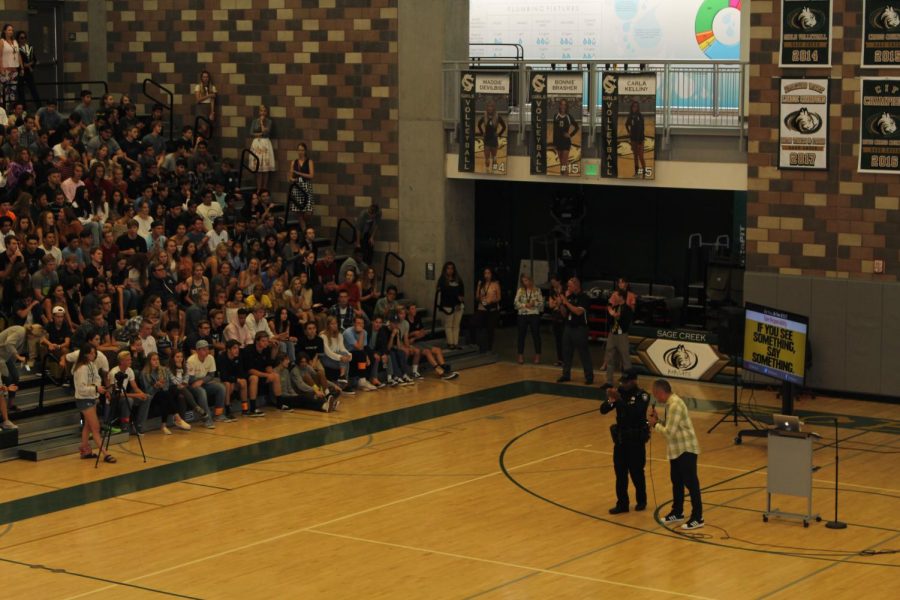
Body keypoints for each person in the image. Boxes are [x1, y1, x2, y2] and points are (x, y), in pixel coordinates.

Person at [649, 379, 704, 530]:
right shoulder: (670, 404)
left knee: (691, 484)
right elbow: (671, 426)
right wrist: (659, 420)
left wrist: (654, 424)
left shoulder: (675, 405)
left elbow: (669, 433)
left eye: (655, 394)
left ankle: (698, 517)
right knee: (677, 482)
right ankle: (677, 512)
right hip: (676, 450)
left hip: (686, 449)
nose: (656, 398)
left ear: (661, 392)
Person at [600, 369, 650, 515]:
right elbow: (603, 410)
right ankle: (622, 503)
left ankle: (641, 500)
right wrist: (611, 399)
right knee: (620, 473)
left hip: (635, 441)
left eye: (626, 382)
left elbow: (635, 413)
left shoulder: (643, 396)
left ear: (634, 381)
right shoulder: (619, 392)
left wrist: (619, 400)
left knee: (637, 473)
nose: (623, 384)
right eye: (622, 381)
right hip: (621, 441)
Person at [72, 344, 116, 462]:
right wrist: (96, 389)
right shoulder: (81, 369)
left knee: (88, 425)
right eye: (92, 353)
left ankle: (84, 449)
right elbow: (81, 388)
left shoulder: (91, 365)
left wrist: (99, 388)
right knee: (95, 427)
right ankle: (105, 453)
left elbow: (96, 378)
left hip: (91, 397)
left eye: (95, 353)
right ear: (86, 354)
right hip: (84, 399)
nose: (94, 355)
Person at [138, 352, 191, 435]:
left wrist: (162, 385)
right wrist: (156, 386)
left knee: (168, 394)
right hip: (153, 395)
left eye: (157, 359)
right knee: (165, 395)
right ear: (149, 361)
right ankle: (177, 419)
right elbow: (147, 391)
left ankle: (165, 425)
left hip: (163, 393)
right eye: (154, 360)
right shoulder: (144, 373)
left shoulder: (163, 370)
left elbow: (167, 385)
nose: (156, 361)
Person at [555, 276, 593, 384]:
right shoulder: (570, 297)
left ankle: (589, 377)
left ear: (576, 286)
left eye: (570, 285)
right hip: (568, 327)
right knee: (566, 352)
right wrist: (561, 303)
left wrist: (566, 302)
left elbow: (578, 312)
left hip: (580, 328)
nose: (568, 287)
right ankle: (565, 374)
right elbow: (564, 314)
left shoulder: (584, 298)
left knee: (583, 353)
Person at [604, 277, 635, 387]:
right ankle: (608, 381)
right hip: (613, 334)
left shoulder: (627, 308)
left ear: (622, 297)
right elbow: (609, 313)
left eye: (617, 297)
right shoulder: (615, 307)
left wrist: (616, 315)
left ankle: (629, 382)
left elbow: (626, 319)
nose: (615, 298)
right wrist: (611, 313)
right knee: (610, 358)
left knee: (625, 359)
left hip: (622, 335)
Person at [514, 273, 544, 364]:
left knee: (536, 335)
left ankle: (537, 356)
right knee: (521, 335)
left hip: (534, 314)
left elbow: (541, 302)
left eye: (527, 280)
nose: (525, 282)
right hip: (522, 314)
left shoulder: (537, 290)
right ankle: (520, 355)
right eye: (523, 281)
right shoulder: (520, 290)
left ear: (530, 280)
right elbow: (515, 303)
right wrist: (524, 305)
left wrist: (534, 304)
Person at [436, 261, 464, 349]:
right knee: (449, 325)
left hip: (458, 305)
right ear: (445, 269)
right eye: (448, 268)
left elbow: (461, 292)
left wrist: (460, 301)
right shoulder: (442, 280)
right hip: (447, 306)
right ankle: (450, 343)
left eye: (452, 268)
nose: (450, 270)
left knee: (456, 325)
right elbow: (446, 292)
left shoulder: (458, 279)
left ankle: (456, 343)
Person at [472, 266, 500, 353]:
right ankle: (479, 345)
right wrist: (479, 291)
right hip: (482, 307)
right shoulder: (481, 284)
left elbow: (499, 297)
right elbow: (477, 297)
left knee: (490, 329)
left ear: (491, 274)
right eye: (485, 273)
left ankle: (489, 348)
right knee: (477, 325)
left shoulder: (495, 284)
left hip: (492, 309)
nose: (487, 275)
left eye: (488, 273)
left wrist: (491, 300)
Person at [249, 104, 276, 193]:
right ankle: (259, 188)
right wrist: (258, 134)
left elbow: (266, 132)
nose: (262, 113)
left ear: (266, 112)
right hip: (257, 144)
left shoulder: (269, 121)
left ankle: (265, 188)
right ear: (259, 112)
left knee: (265, 168)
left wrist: (262, 123)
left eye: (264, 111)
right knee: (259, 168)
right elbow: (251, 132)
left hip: (265, 143)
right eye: (261, 111)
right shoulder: (254, 121)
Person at [477, 98, 506, 172]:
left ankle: (494, 170)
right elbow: (479, 125)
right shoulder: (484, 117)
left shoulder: (497, 117)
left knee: (494, 158)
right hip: (487, 139)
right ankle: (487, 170)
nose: (490, 108)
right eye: (488, 106)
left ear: (494, 108)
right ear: (487, 108)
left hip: (494, 139)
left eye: (491, 106)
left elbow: (504, 126)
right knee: (487, 158)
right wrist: (482, 133)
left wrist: (499, 134)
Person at [552, 98, 579, 175]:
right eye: (561, 104)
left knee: (564, 162)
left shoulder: (569, 117)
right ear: (559, 106)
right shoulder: (556, 116)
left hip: (566, 142)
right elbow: (555, 131)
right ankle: (563, 175)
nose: (563, 106)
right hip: (558, 142)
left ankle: (565, 176)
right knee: (561, 163)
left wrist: (570, 135)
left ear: (566, 106)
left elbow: (577, 127)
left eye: (565, 104)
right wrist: (554, 143)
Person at [546, 274, 566, 366]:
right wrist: (557, 303)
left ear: (559, 281)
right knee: (557, 339)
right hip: (555, 316)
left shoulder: (564, 290)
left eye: (554, 282)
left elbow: (564, 302)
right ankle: (560, 359)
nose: (553, 284)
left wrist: (559, 302)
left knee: (564, 339)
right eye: (552, 283)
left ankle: (566, 359)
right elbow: (550, 305)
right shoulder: (551, 291)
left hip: (564, 316)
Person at [0, 25, 20, 109]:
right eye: (9, 30)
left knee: (12, 92)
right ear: (4, 31)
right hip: (5, 69)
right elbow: (0, 55)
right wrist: (1, 67)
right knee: (3, 91)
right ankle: (3, 111)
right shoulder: (2, 41)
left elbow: (18, 54)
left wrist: (21, 67)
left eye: (12, 30)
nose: (11, 32)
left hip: (14, 70)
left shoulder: (15, 41)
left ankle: (10, 110)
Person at [624, 101, 646, 178]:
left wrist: (640, 142)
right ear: (631, 107)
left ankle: (644, 173)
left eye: (636, 106)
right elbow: (626, 124)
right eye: (633, 106)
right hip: (633, 140)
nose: (634, 108)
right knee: (635, 157)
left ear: (638, 108)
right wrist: (629, 132)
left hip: (640, 140)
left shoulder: (640, 116)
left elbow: (642, 129)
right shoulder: (630, 116)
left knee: (641, 157)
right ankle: (636, 172)